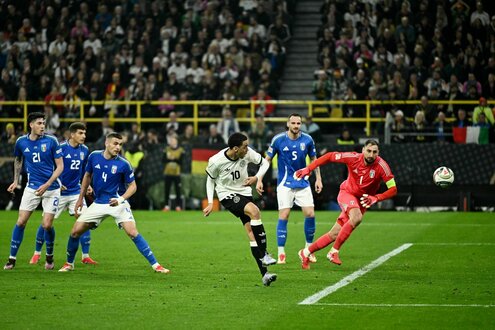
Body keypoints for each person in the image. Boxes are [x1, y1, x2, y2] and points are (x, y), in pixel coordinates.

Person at [58, 132, 169, 273]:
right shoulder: (94, 157)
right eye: (115, 144)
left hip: (117, 203)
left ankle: (156, 265)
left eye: (120, 145)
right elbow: (87, 176)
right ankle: (69, 264)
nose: (118, 147)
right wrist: (80, 199)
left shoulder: (124, 164)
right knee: (75, 232)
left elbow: (133, 186)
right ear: (106, 143)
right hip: (98, 203)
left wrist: (121, 199)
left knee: (133, 232)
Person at [295, 140, 397, 269]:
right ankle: (334, 252)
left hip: (362, 201)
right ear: (363, 150)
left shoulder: (382, 166)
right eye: (369, 151)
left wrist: (376, 198)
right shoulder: (353, 158)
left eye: (374, 152)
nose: (371, 155)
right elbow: (329, 156)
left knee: (334, 234)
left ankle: (306, 252)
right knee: (357, 217)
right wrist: (309, 168)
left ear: (378, 153)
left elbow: (393, 189)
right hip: (347, 193)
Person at [203, 132, 277, 286]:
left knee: (251, 231)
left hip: (244, 192)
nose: (247, 149)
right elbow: (210, 181)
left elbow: (265, 163)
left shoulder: (247, 153)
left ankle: (265, 275)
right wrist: (211, 202)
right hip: (227, 194)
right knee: (255, 211)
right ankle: (264, 254)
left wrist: (256, 177)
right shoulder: (216, 161)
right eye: (245, 147)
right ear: (235, 149)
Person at [29, 122, 98, 265]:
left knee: (84, 221)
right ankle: (36, 253)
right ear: (72, 134)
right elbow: (50, 167)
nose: (83, 136)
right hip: (58, 192)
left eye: (84, 133)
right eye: (80, 133)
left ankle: (85, 255)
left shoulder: (84, 150)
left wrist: (88, 185)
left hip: (75, 192)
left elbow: (85, 171)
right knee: (46, 223)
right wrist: (57, 184)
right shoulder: (60, 148)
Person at [4, 112, 64, 270]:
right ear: (31, 125)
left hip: (51, 189)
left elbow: (60, 166)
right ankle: (11, 259)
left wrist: (48, 183)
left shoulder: (52, 141)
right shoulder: (21, 142)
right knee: (21, 221)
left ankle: (49, 256)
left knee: (47, 225)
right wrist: (16, 180)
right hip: (32, 187)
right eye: (39, 123)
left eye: (44, 123)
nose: (43, 126)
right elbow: (18, 160)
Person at [260, 113, 322, 265]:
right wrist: (259, 178)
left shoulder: (307, 139)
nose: (296, 126)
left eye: (298, 123)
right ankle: (281, 253)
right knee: (284, 214)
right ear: (288, 124)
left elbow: (314, 160)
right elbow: (267, 160)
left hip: (303, 182)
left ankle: (308, 250)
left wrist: (318, 179)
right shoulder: (278, 139)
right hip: (285, 184)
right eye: (293, 123)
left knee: (310, 213)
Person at [162, 135, 185, 211]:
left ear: (176, 141)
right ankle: (166, 205)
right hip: (168, 172)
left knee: (178, 190)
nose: (172, 142)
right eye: (171, 141)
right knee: (166, 190)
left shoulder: (181, 150)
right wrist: (171, 159)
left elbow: (181, 161)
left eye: (173, 140)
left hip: (176, 173)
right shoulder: (167, 149)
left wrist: (173, 159)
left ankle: (178, 206)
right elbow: (163, 160)